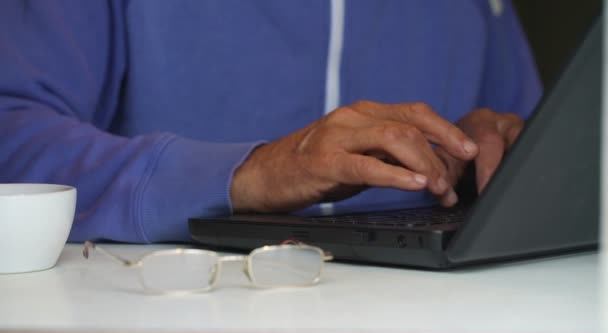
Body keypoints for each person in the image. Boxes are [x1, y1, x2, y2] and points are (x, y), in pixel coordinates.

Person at [0, 0, 541, 243]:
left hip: (444, 321)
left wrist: (488, 152)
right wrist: (248, 175)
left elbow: (548, 163)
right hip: (172, 315)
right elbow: (12, 136)